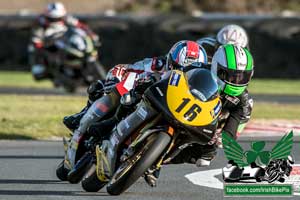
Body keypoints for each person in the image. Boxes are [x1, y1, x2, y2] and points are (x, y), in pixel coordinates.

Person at [64, 41, 208, 169]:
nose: (181, 73)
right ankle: (84, 114)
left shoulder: (196, 83)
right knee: (103, 89)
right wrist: (116, 80)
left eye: (188, 71)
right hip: (136, 98)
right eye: (177, 68)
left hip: (168, 109)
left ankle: (150, 160)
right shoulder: (157, 64)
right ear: (170, 61)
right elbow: (128, 68)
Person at [143, 44, 255, 187]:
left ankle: (157, 162)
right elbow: (172, 77)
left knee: (206, 156)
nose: (236, 81)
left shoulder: (244, 103)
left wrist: (220, 139)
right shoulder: (199, 68)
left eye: (242, 77)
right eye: (232, 75)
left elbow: (232, 132)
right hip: (180, 104)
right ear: (217, 68)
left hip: (205, 122)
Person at [29, 2, 100, 80]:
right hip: (50, 45)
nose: (56, 20)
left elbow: (80, 25)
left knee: (79, 42)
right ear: (47, 16)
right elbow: (36, 40)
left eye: (58, 18)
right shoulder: (40, 23)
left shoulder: (66, 18)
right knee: (38, 57)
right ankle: (46, 70)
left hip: (66, 39)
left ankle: (84, 61)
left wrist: (92, 34)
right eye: (52, 18)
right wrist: (43, 50)